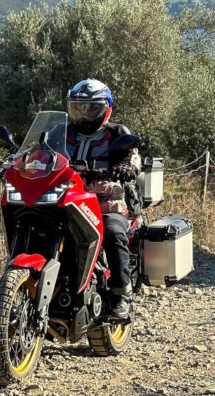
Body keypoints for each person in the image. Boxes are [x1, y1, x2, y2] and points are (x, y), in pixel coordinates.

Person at [64, 78, 140, 320]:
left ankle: (121, 294)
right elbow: (37, 151)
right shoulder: (60, 132)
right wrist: (16, 160)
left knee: (113, 233)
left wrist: (126, 166)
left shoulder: (117, 133)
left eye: (92, 108)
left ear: (106, 108)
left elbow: (132, 156)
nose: (85, 114)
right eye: (80, 107)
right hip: (66, 201)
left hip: (105, 203)